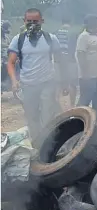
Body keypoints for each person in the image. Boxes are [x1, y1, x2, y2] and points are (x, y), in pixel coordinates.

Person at [7, 8, 61, 142]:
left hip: (47, 82)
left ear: (42, 21)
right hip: (28, 85)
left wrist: (61, 81)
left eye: (35, 21)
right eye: (29, 21)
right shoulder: (18, 40)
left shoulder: (50, 38)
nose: (32, 24)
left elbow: (60, 60)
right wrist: (14, 81)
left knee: (48, 115)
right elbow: (11, 63)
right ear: (24, 21)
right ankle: (37, 143)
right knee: (32, 116)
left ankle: (48, 143)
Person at [76, 14, 97, 112]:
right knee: (85, 101)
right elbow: (80, 55)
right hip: (89, 77)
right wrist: (85, 73)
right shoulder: (84, 36)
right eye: (94, 22)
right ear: (87, 24)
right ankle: (76, 121)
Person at [54, 17, 79, 107]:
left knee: (58, 84)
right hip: (70, 60)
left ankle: (57, 106)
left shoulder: (56, 33)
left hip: (58, 61)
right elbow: (74, 48)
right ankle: (72, 105)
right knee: (72, 84)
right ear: (70, 22)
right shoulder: (73, 33)